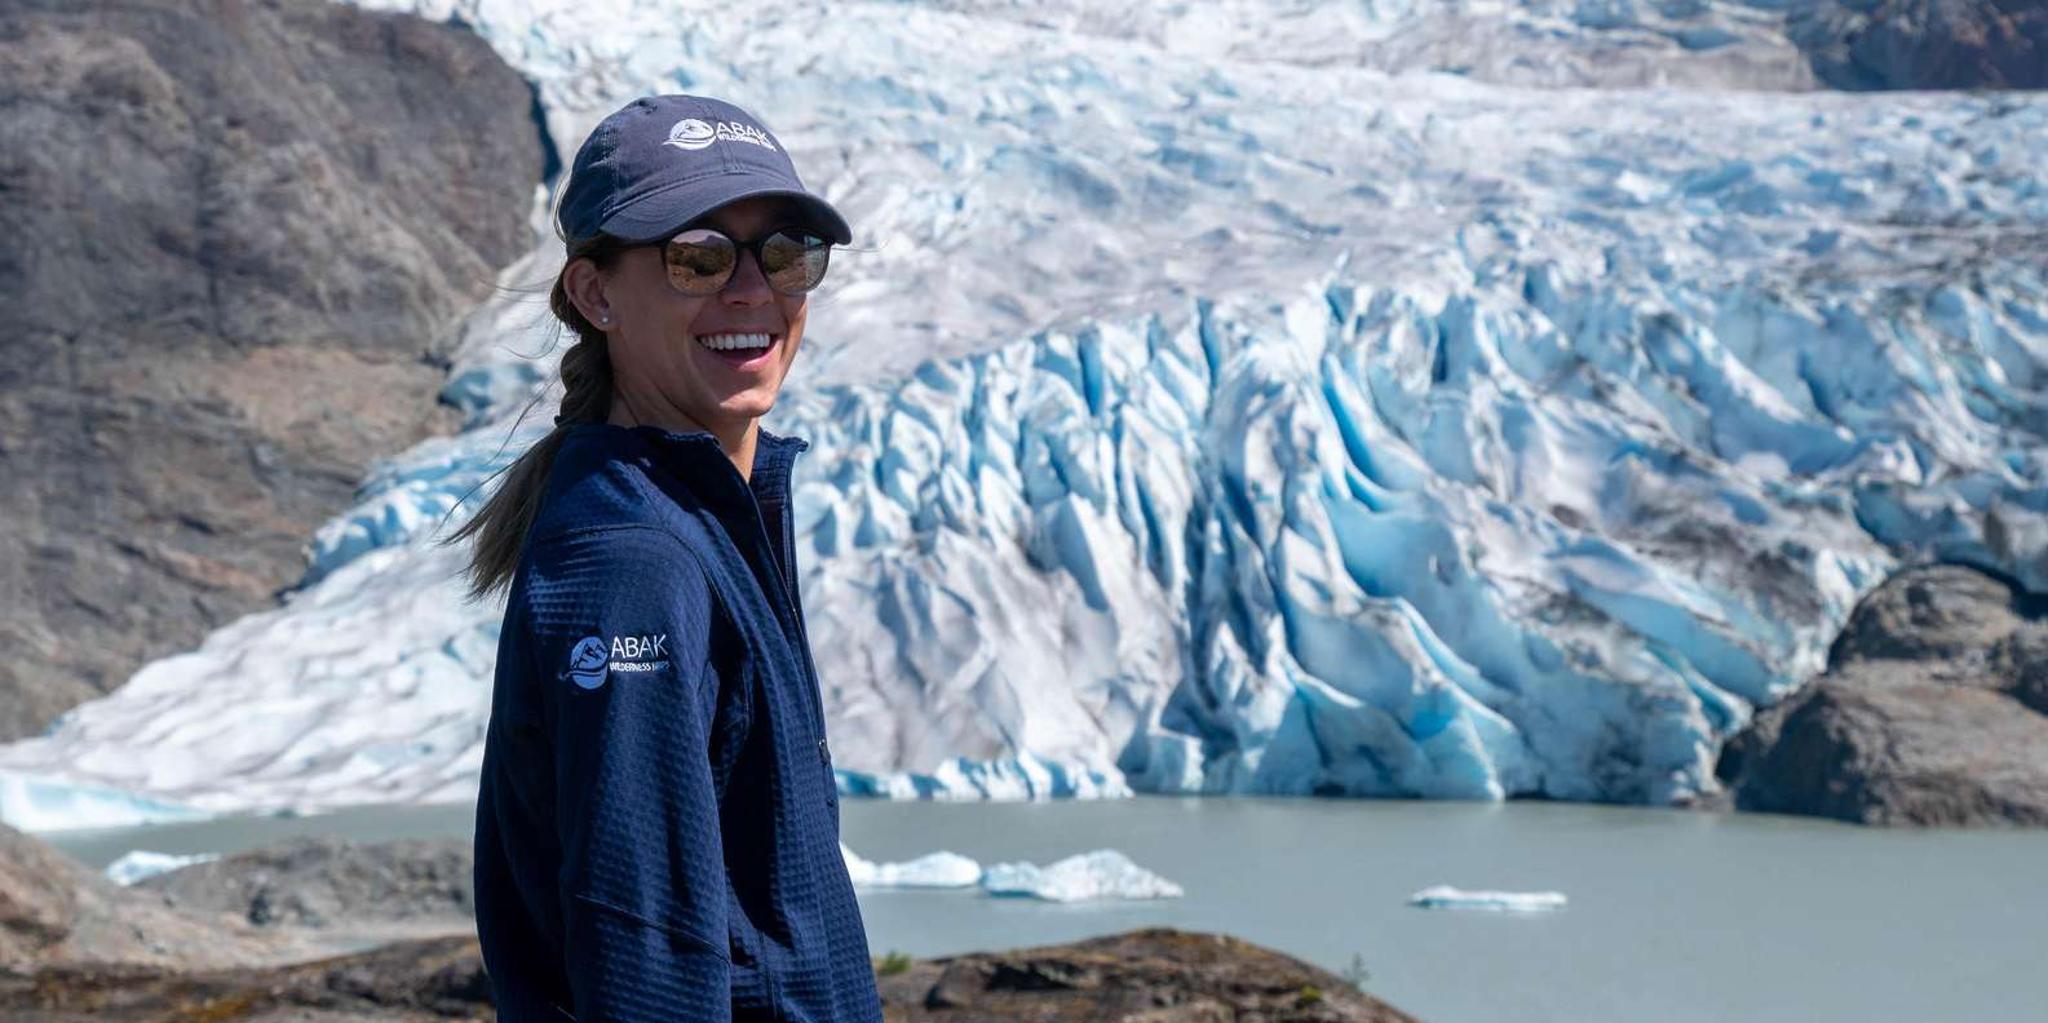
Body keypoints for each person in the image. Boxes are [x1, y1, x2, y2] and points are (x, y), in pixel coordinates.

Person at [456, 94, 883, 1022]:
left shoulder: (691, 515)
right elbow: (640, 938)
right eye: (696, 256)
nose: (751, 290)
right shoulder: (636, 562)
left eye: (785, 253)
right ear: (595, 292)